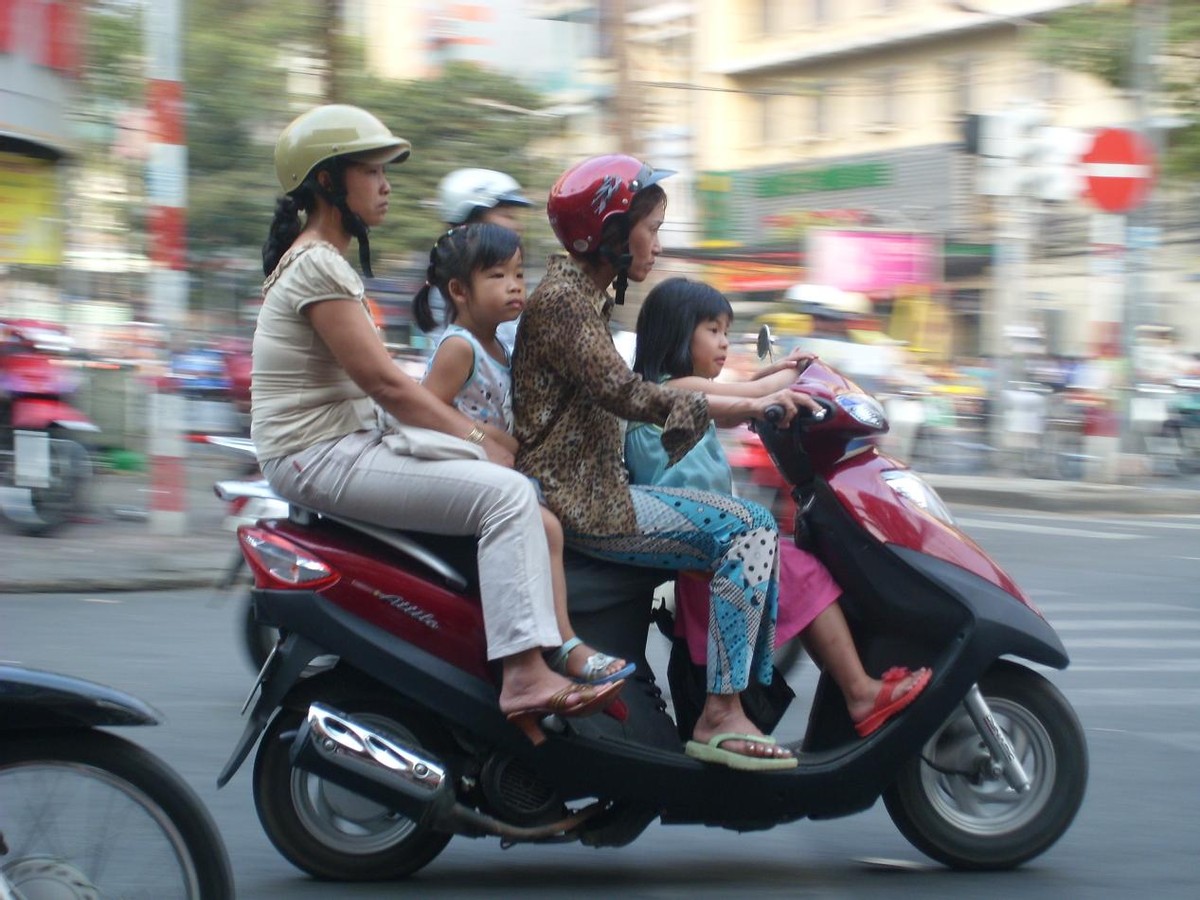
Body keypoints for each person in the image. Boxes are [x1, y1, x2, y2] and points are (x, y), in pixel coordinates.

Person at [252, 104, 621, 745]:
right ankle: (523, 673)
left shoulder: (317, 260)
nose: (385, 185)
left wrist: (483, 440)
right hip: (319, 454)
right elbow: (386, 385)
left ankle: (542, 648)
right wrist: (478, 440)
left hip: (338, 445)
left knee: (516, 494)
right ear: (327, 182)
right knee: (506, 496)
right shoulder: (317, 263)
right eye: (371, 172)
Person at [511, 153, 809, 771]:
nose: (658, 243)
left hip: (593, 490)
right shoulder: (565, 303)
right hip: (586, 501)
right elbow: (627, 393)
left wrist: (755, 396)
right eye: (651, 228)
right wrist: (744, 408)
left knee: (744, 524)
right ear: (612, 234)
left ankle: (723, 700)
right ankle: (721, 712)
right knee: (750, 529)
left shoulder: (581, 301)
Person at [627, 277, 932, 738]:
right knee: (805, 572)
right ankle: (859, 693)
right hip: (707, 546)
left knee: (795, 564)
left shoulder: (680, 392)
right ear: (675, 333)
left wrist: (770, 382)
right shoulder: (669, 390)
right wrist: (799, 374)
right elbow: (740, 399)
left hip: (711, 540)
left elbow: (735, 395)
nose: (724, 342)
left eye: (727, 331)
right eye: (713, 330)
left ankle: (851, 688)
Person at [413, 221, 634, 686]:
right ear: (459, 291)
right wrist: (485, 439)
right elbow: (425, 408)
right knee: (547, 526)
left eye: (518, 273)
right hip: (461, 466)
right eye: (497, 275)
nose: (514, 285)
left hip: (496, 463)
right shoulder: (460, 347)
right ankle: (562, 643)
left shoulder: (499, 343)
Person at [423, 169, 534, 350]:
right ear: (471, 223)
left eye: (519, 275)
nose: (518, 226)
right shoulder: (460, 295)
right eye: (508, 216)